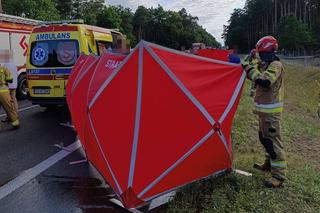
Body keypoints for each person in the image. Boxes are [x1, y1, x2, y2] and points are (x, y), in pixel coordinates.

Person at [242, 36, 286, 188]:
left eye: (262, 53)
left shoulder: (275, 65)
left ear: (269, 51)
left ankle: (279, 176)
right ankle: (268, 164)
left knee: (273, 143)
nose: (260, 56)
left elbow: (265, 81)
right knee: (264, 138)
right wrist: (249, 62)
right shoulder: (267, 64)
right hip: (264, 113)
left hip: (271, 114)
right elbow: (255, 76)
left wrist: (247, 67)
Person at [0, 50, 20, 129]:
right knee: (10, 107)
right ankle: (15, 123)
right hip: (4, 91)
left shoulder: (5, 66)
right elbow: (10, 78)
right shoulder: (3, 68)